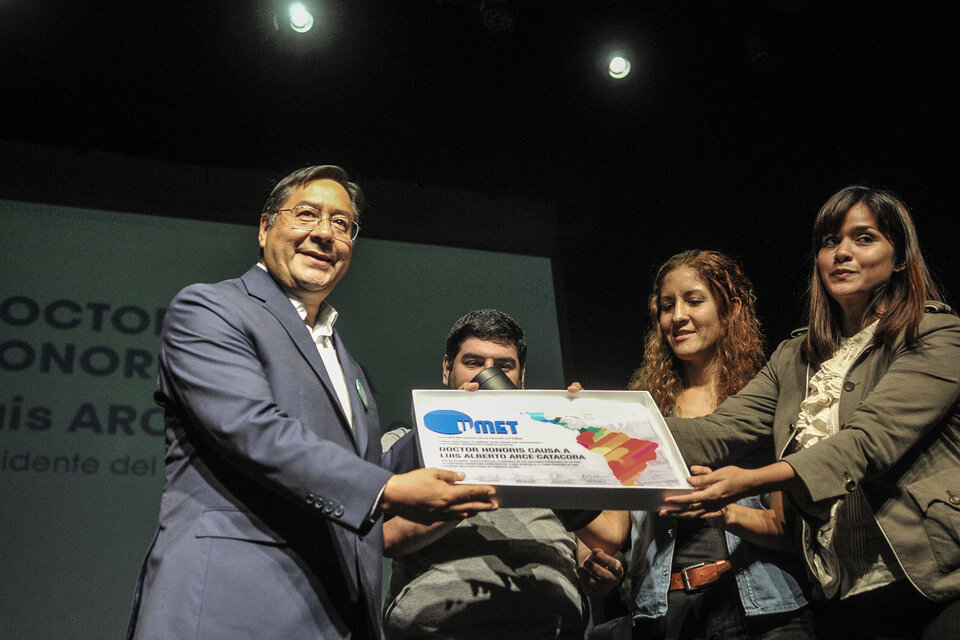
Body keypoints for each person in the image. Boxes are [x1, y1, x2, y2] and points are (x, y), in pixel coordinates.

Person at [125, 165, 497, 640]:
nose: (325, 234)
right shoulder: (211, 309)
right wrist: (389, 489)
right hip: (232, 602)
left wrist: (464, 424)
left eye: (342, 224)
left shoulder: (347, 363)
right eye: (307, 215)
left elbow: (361, 465)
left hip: (333, 611)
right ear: (264, 228)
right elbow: (253, 429)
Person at [662, 186, 960, 639]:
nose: (842, 252)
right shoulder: (794, 357)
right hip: (840, 590)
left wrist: (749, 479)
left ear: (899, 257)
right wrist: (596, 418)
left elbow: (867, 442)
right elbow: (718, 431)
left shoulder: (936, 334)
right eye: (829, 242)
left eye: (864, 238)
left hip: (933, 583)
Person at [578, 250, 813, 639]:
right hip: (666, 617)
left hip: (765, 613)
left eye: (694, 300)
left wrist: (725, 512)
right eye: (667, 306)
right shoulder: (642, 411)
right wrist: (569, 442)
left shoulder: (768, 403)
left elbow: (789, 530)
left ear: (732, 308)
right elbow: (613, 529)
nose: (678, 316)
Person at [381, 309, 589, 640]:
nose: (485, 377)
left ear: (520, 379)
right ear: (447, 369)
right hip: (441, 624)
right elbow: (385, 537)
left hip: (552, 625)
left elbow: (599, 533)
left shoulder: (547, 444)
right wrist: (480, 480)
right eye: (474, 363)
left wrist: (583, 430)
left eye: (503, 367)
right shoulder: (404, 445)